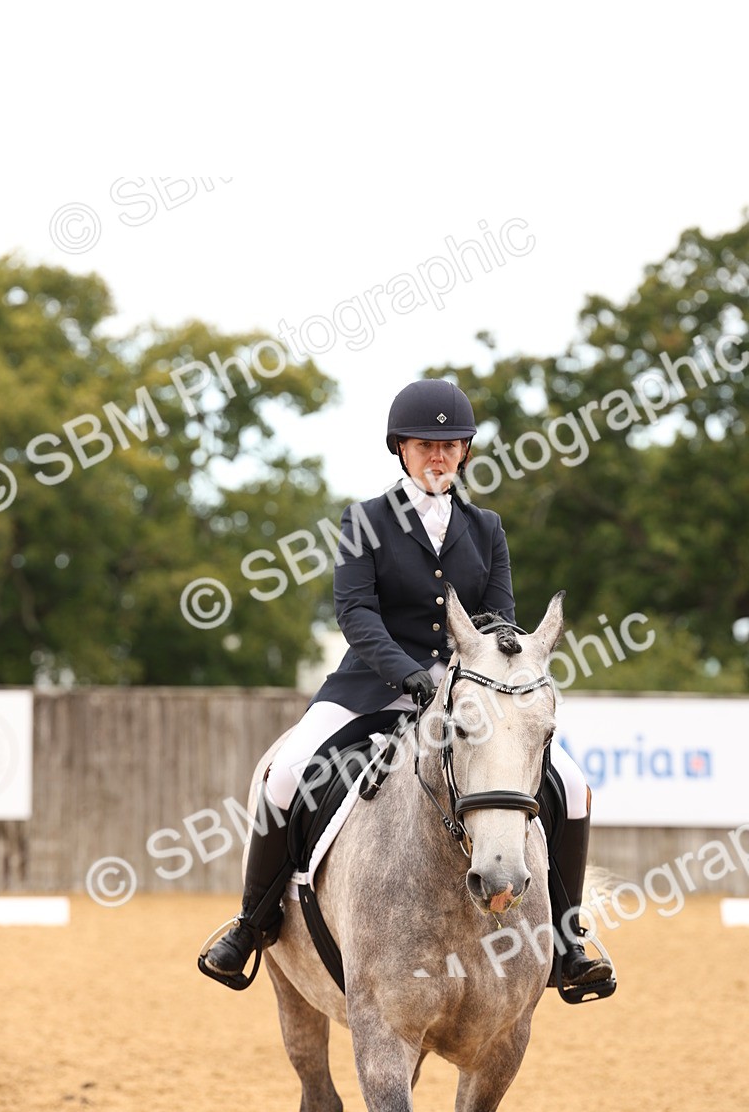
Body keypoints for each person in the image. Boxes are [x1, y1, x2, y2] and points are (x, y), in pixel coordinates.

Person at [203, 378, 613, 992]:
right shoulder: (365, 520)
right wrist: (408, 673)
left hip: (464, 694)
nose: (438, 456)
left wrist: (489, 670)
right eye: (425, 444)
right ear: (401, 449)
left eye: (451, 445)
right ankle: (251, 923)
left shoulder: (487, 528)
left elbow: (498, 619)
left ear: (466, 451)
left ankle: (566, 937)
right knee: (286, 773)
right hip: (369, 687)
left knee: (574, 786)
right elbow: (355, 613)